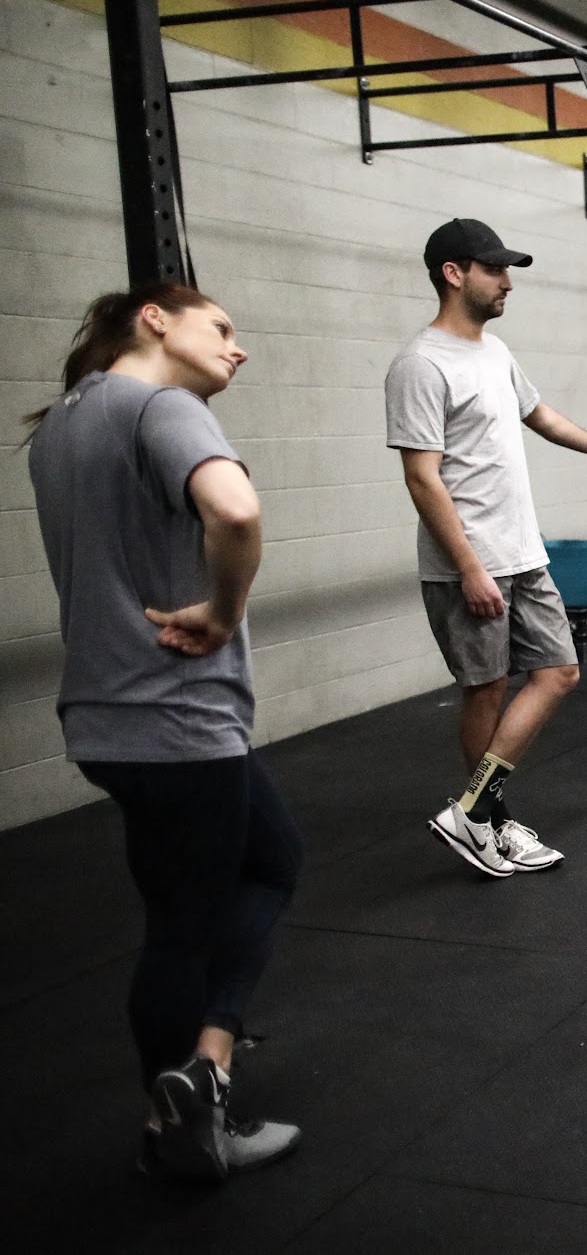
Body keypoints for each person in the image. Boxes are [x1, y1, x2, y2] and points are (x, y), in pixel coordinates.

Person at [27, 283, 304, 1182]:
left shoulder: (63, 423)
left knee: (269, 859)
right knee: (184, 926)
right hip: (176, 714)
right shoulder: (160, 405)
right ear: (154, 319)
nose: (237, 346)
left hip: (104, 715)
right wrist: (223, 612)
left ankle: (204, 1067)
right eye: (220, 327)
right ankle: (178, 1120)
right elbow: (235, 510)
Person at [386, 218, 587, 877]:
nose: (507, 282)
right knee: (485, 691)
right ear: (453, 273)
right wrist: (469, 568)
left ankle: (474, 811)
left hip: (523, 552)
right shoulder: (421, 364)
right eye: (494, 269)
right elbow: (421, 477)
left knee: (560, 671)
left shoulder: (495, 352)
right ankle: (489, 822)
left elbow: (536, 413)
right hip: (471, 563)